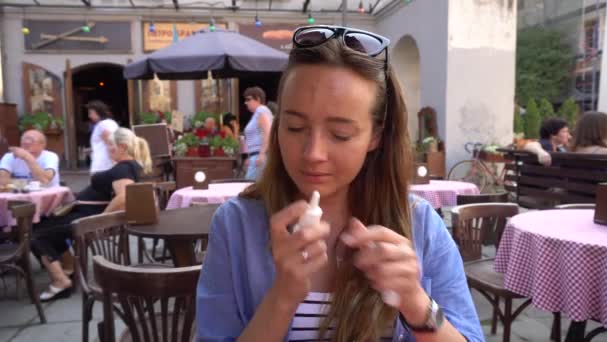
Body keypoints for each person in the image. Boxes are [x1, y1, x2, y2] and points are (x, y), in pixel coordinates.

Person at [196, 26, 483, 342]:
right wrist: (283, 296)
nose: (313, 153)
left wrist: (416, 303)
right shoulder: (236, 225)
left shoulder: (420, 224)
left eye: (340, 134)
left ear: (375, 135)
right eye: (295, 127)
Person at [30, 128, 152, 301]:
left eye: (110, 145)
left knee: (36, 235)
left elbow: (124, 197)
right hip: (84, 213)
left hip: (87, 218)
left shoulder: (123, 168)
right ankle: (69, 267)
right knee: (41, 224)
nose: (108, 148)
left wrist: (100, 220)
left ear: (123, 147)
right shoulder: (129, 166)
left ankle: (61, 280)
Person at [242, 86, 273, 180]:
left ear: (258, 99)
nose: (246, 102)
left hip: (259, 155)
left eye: (248, 99)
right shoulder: (257, 113)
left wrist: (262, 153)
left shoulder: (261, 111)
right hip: (255, 155)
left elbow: (268, 132)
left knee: (250, 186)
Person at [86, 100, 119, 174]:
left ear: (98, 112)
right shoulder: (109, 123)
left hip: (103, 166)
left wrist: (115, 163)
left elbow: (111, 143)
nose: (89, 116)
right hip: (105, 165)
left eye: (91, 113)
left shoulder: (103, 125)